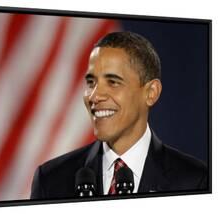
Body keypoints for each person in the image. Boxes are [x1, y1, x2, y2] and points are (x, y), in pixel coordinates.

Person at [30, 31, 207, 199]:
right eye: (91, 83)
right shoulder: (51, 180)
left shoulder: (196, 181)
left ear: (151, 93)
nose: (95, 96)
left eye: (113, 82)